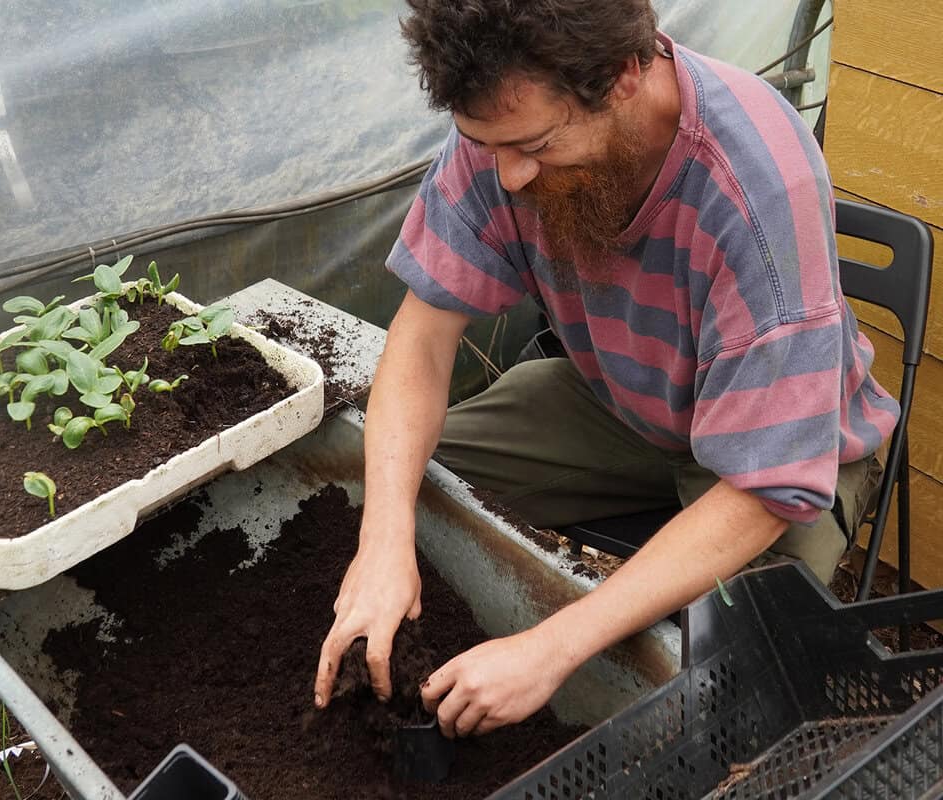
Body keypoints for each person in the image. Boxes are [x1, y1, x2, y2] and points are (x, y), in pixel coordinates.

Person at [313, 0, 897, 740]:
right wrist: (383, 541)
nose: (510, 175)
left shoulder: (757, 187)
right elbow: (422, 340)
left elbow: (763, 488)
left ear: (625, 75)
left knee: (732, 676)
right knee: (419, 486)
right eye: (483, 143)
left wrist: (551, 646)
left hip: (782, 452)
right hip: (622, 402)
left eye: (536, 145)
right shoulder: (507, 128)